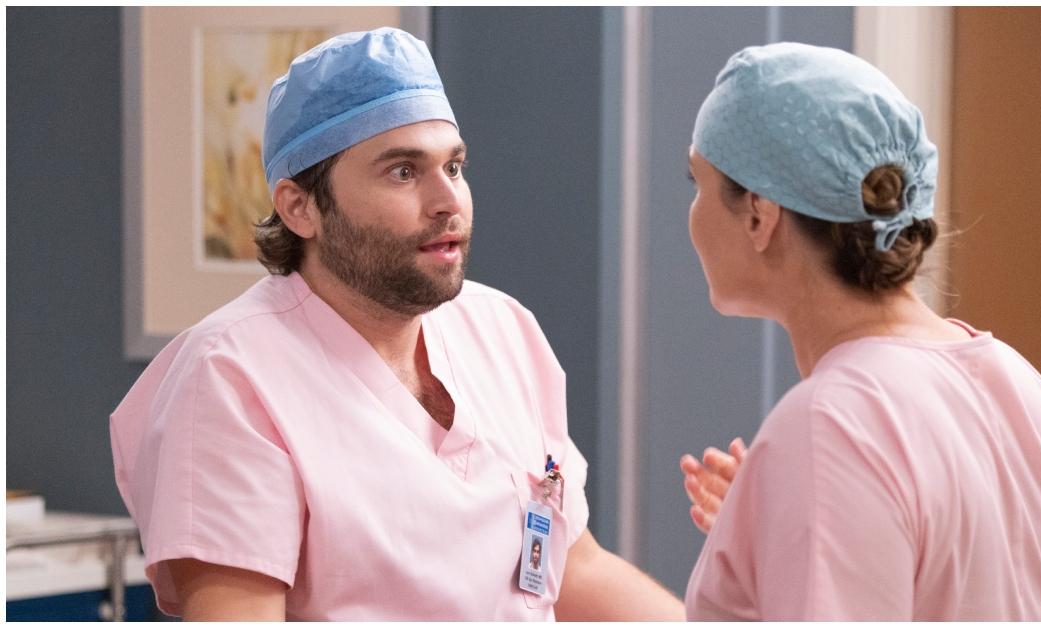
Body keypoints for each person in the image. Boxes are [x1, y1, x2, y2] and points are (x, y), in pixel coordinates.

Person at [109, 28, 683, 621]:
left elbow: (576, 569)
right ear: (300, 207)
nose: (447, 201)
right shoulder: (229, 379)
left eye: (454, 166)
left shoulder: (502, 328)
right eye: (403, 172)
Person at [677, 43, 1041, 621]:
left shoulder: (830, 428)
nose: (691, 212)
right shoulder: (1023, 390)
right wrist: (785, 525)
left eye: (697, 182)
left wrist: (814, 481)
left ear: (760, 216)